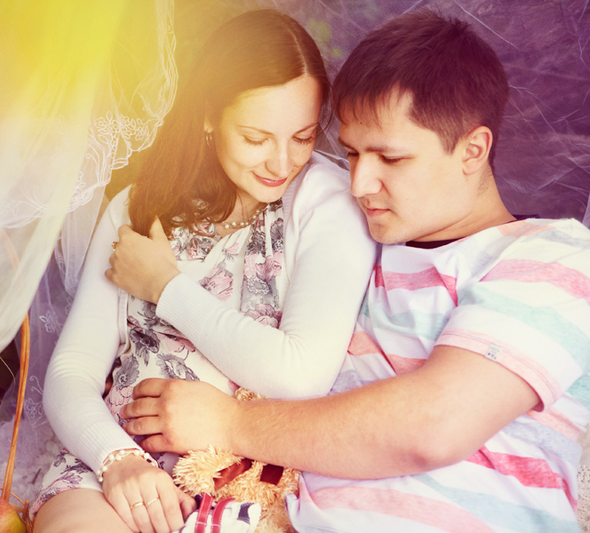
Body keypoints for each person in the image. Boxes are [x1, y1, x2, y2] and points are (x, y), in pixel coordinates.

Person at [115, 9, 590, 532]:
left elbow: (433, 426)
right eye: (351, 153)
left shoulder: (554, 257)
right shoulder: (356, 247)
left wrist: (229, 423)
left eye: (391, 158)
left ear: (472, 150)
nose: (360, 183)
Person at [33, 9, 376, 533]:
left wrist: (165, 287)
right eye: (256, 138)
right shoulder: (138, 208)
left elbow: (298, 376)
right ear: (209, 116)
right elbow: (72, 371)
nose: (282, 163)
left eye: (303, 137)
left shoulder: (325, 203)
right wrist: (116, 460)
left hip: (250, 476)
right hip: (117, 466)